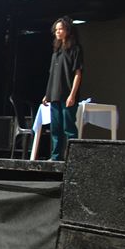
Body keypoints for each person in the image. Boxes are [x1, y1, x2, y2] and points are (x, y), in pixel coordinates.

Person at [42, 16, 84, 161]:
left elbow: (78, 73)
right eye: (56, 30)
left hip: (67, 95)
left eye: (61, 29)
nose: (58, 32)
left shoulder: (75, 49)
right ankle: (55, 157)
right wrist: (47, 94)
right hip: (54, 95)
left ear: (68, 31)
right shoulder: (56, 52)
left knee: (69, 128)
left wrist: (72, 95)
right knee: (56, 128)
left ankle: (73, 158)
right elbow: (52, 75)